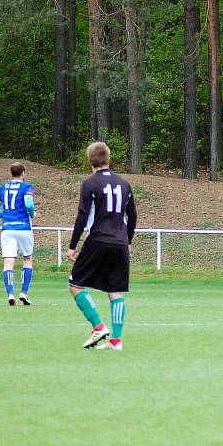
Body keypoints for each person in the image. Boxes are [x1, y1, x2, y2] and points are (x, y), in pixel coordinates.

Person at [67, 142, 137, 350]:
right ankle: (116, 340)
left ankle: (98, 326)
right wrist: (128, 240)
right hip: (120, 242)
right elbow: (132, 216)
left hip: (98, 239)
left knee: (75, 284)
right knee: (115, 291)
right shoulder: (124, 183)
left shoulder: (90, 184)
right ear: (109, 158)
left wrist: (72, 246)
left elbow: (82, 216)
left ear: (90, 160)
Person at [0, 162, 36, 306]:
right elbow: (28, 203)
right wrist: (32, 213)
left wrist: (7, 216)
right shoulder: (27, 187)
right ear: (23, 173)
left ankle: (10, 294)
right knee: (27, 259)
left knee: (8, 262)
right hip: (23, 228)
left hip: (8, 229)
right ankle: (24, 292)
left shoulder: (2, 188)